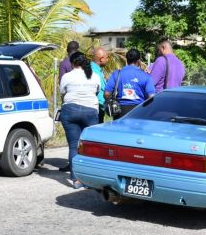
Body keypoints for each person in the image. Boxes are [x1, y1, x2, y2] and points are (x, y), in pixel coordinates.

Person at [58, 51, 100, 189]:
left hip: (70, 111)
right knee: (90, 147)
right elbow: (97, 91)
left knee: (73, 146)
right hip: (90, 112)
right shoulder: (94, 76)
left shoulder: (67, 76)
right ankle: (90, 179)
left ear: (72, 63)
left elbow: (62, 92)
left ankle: (76, 180)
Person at [104, 48, 155, 119]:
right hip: (139, 110)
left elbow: (107, 94)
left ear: (127, 60)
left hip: (120, 111)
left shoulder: (117, 73)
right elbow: (151, 97)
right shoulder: (146, 76)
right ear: (139, 60)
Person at [91, 47, 109, 123]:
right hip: (96, 106)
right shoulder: (93, 71)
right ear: (101, 59)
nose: (108, 60)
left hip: (99, 106)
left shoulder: (97, 69)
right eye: (107, 58)